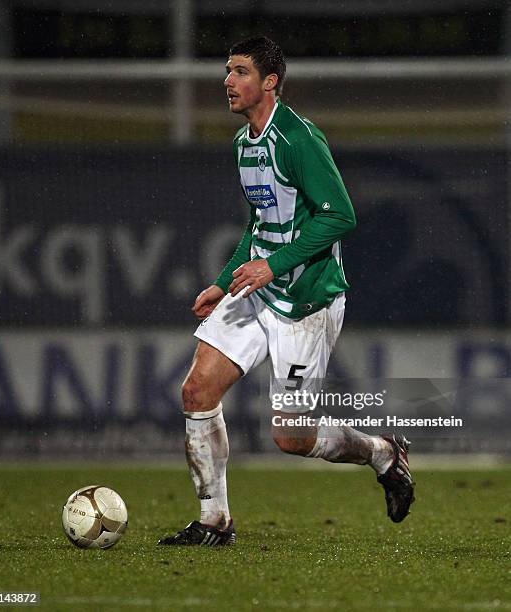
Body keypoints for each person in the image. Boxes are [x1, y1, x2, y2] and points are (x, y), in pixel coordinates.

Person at [158, 36, 414, 547]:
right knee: (197, 390)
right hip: (259, 290)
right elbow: (259, 224)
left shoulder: (298, 139)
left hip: (307, 301)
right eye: (227, 71)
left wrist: (271, 267)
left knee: (291, 438)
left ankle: (382, 452)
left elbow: (340, 216)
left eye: (240, 72)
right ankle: (215, 523)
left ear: (270, 81)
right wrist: (224, 279)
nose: (227, 81)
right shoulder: (244, 144)